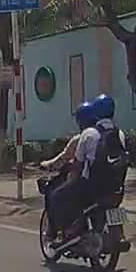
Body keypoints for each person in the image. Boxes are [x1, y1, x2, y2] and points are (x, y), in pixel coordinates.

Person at [47, 102, 101, 241]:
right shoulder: (112, 134)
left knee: (56, 196)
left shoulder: (84, 136)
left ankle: (66, 231)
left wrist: (48, 165)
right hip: (113, 185)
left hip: (88, 183)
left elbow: (69, 160)